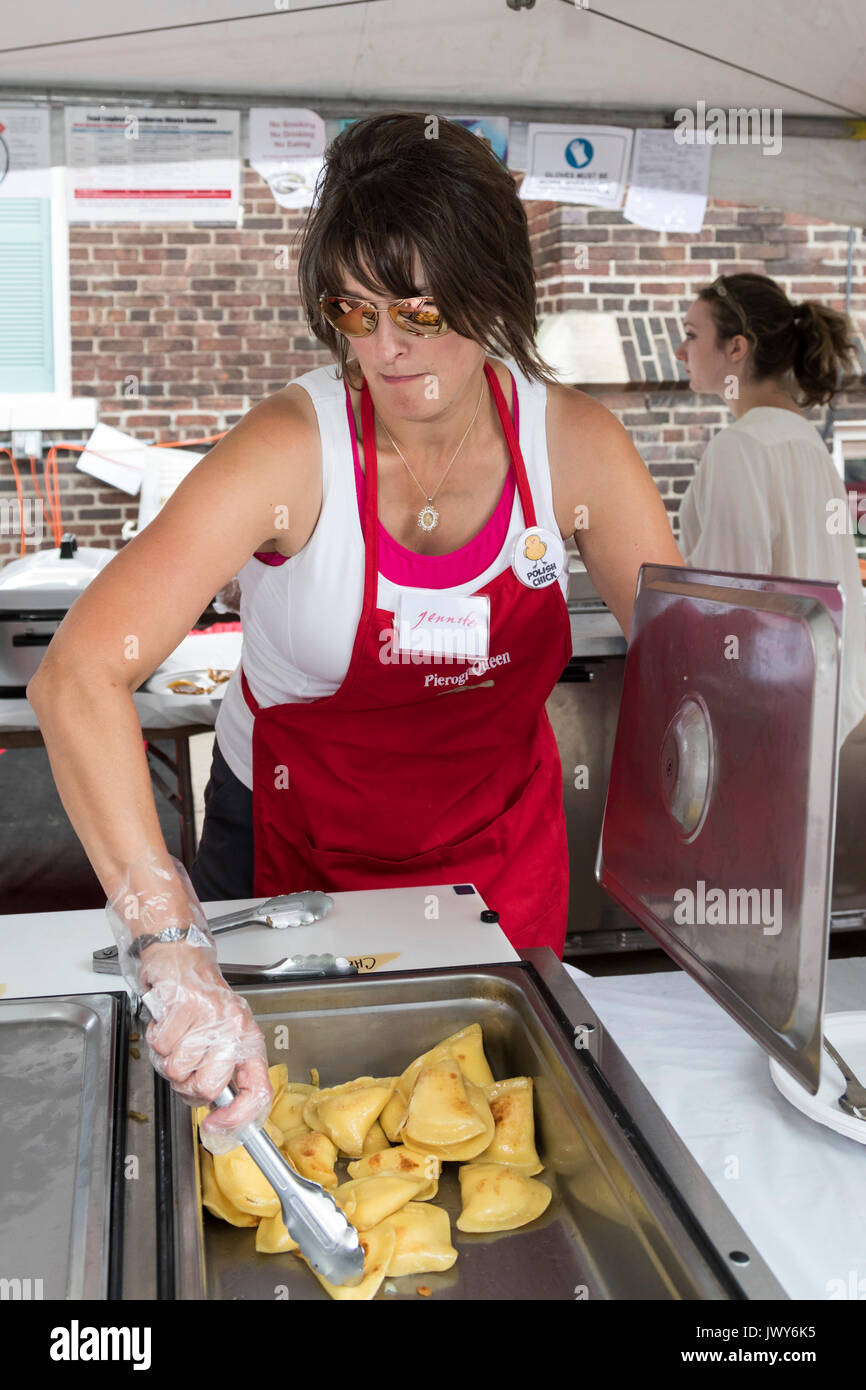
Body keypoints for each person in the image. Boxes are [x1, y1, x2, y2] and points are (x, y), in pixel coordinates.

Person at [26, 112, 681, 1145]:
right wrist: (166, 935)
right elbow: (77, 678)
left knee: (486, 1134)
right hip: (291, 860)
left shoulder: (575, 451)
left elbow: (693, 674)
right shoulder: (292, 448)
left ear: (492, 291)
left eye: (419, 312)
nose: (384, 351)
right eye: (354, 312)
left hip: (495, 864)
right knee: (289, 1127)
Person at [675, 272, 866, 747]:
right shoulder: (806, 441)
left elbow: (725, 602)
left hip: (761, 724)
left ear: (737, 348)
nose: (681, 352)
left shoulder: (740, 447)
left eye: (693, 336)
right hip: (820, 716)